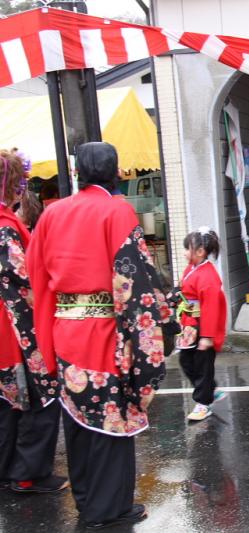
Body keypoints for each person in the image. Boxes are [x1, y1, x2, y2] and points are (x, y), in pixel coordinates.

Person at [27, 142, 170, 528]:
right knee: (110, 419)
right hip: (106, 332)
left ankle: (88, 498)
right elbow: (133, 283)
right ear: (115, 171)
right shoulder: (117, 210)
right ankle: (107, 508)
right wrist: (144, 351)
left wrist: (45, 342)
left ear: (78, 173)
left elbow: (37, 283)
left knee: (76, 420)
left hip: (64, 330)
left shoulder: (52, 213)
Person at [0, 150, 67, 494]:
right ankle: (26, 473)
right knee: (39, 396)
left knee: (7, 403)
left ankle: (7, 468)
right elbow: (25, 275)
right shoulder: (5, 228)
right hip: (16, 328)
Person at [175, 228, 227, 422]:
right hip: (190, 324)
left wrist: (207, 336)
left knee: (203, 365)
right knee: (186, 361)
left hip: (201, 326)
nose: (184, 253)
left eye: (187, 249)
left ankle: (203, 403)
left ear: (200, 252)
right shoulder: (192, 268)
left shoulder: (208, 276)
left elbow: (211, 308)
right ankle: (210, 389)